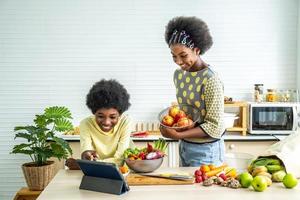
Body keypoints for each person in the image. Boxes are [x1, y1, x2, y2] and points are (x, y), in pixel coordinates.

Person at [160, 16, 225, 167]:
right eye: (174, 56)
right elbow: (187, 113)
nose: (178, 62)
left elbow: (215, 126)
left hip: (207, 150)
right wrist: (170, 126)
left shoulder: (210, 80)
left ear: (197, 49)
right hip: (185, 146)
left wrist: (178, 134)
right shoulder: (179, 76)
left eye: (183, 55)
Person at [65, 79, 132, 169]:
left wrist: (82, 165)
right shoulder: (86, 124)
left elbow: (120, 160)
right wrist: (86, 157)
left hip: (122, 172)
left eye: (112, 117)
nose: (106, 122)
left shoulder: (125, 122)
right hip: (97, 173)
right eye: (100, 116)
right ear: (94, 112)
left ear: (120, 114)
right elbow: (86, 153)